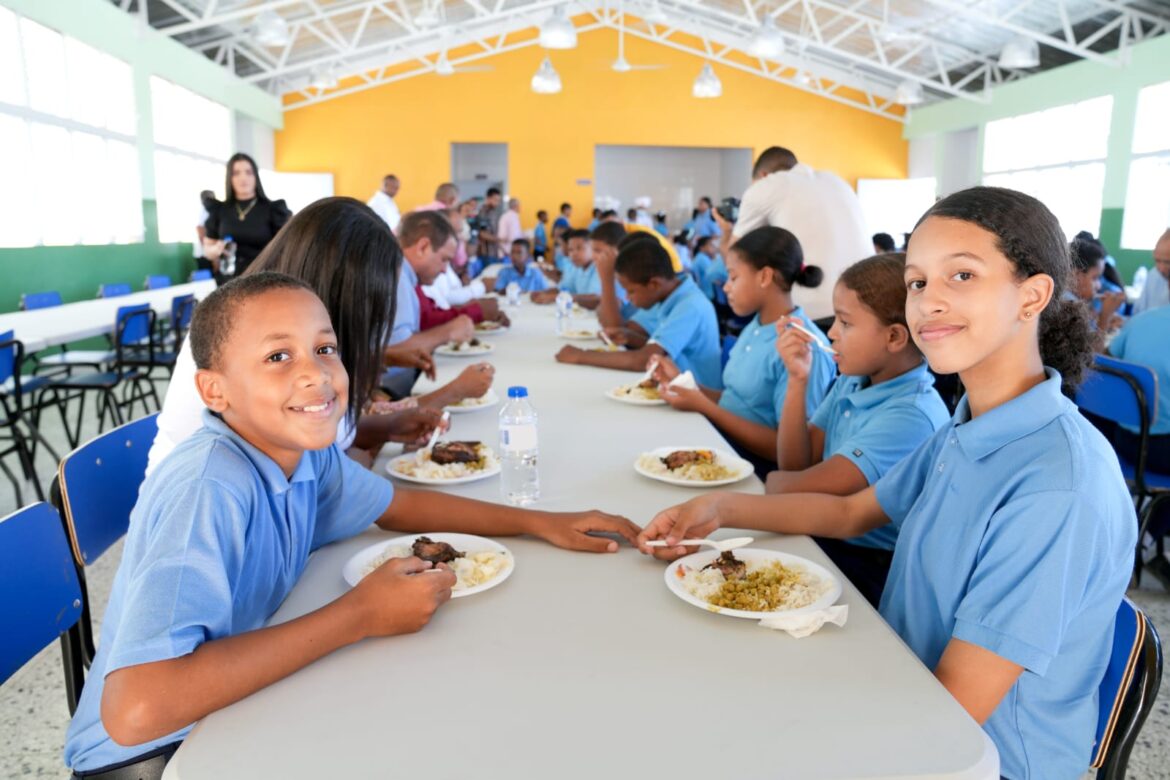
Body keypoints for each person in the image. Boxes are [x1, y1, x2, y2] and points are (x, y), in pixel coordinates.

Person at [639, 186, 1135, 780]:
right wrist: (718, 508)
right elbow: (850, 514)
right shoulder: (971, 425)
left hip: (980, 757)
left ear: (1031, 296)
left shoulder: (1057, 486)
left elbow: (953, 714)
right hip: (901, 676)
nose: (929, 303)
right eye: (919, 283)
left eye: (963, 276)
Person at [65, 272, 641, 777]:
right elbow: (136, 709)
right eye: (277, 357)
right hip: (159, 757)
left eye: (325, 348)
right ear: (215, 390)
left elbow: (398, 506)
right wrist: (359, 615)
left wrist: (540, 523)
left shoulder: (303, 452)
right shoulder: (209, 485)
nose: (316, 375)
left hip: (228, 710)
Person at [148, 197, 444, 476]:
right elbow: (316, 473)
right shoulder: (230, 339)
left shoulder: (310, 351)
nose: (375, 321)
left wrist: (386, 428)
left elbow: (329, 448)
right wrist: (353, 463)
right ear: (340, 297)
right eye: (371, 306)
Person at [768, 252, 950, 605]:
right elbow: (793, 467)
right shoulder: (854, 380)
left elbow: (788, 484)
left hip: (869, 571)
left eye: (845, 323)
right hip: (826, 539)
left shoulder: (910, 417)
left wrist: (777, 482)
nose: (832, 333)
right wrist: (797, 379)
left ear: (895, 337)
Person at [649, 226, 836, 466]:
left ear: (765, 277)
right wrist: (684, 383)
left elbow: (791, 454)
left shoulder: (803, 347)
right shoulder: (756, 325)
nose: (726, 286)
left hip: (753, 468)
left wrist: (706, 407)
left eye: (734, 277)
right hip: (721, 443)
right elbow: (734, 401)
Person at [721, 146, 870, 319]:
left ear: (763, 176)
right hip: (866, 306)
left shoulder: (765, 187)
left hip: (810, 313)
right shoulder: (838, 181)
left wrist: (726, 232)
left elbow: (734, 260)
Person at [556, 237, 721, 389]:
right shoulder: (671, 295)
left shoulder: (690, 305)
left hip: (699, 403)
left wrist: (581, 355)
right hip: (673, 388)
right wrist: (631, 337)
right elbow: (665, 350)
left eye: (631, 291)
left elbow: (642, 360)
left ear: (654, 284)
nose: (627, 297)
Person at [383, 211, 491, 402]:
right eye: (444, 259)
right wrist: (448, 331)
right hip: (389, 392)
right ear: (423, 246)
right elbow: (397, 349)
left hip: (402, 385)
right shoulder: (398, 277)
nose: (444, 269)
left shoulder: (407, 277)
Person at [202, 153, 291, 282]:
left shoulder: (273, 209)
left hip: (264, 280)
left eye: (248, 172)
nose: (243, 178)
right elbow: (207, 250)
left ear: (256, 176)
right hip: (228, 282)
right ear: (229, 178)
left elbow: (286, 248)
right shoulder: (219, 210)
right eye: (236, 173)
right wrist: (217, 249)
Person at [1068, 237, 1126, 333]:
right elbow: (1093, 348)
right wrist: (1105, 317)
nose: (1099, 286)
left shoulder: (1073, 301)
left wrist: (1099, 318)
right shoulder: (1069, 305)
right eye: (1095, 278)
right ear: (1076, 276)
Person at [1132, 228, 1170, 315]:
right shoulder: (1153, 276)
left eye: (1168, 262)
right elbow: (1139, 314)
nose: (1161, 268)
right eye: (1157, 261)